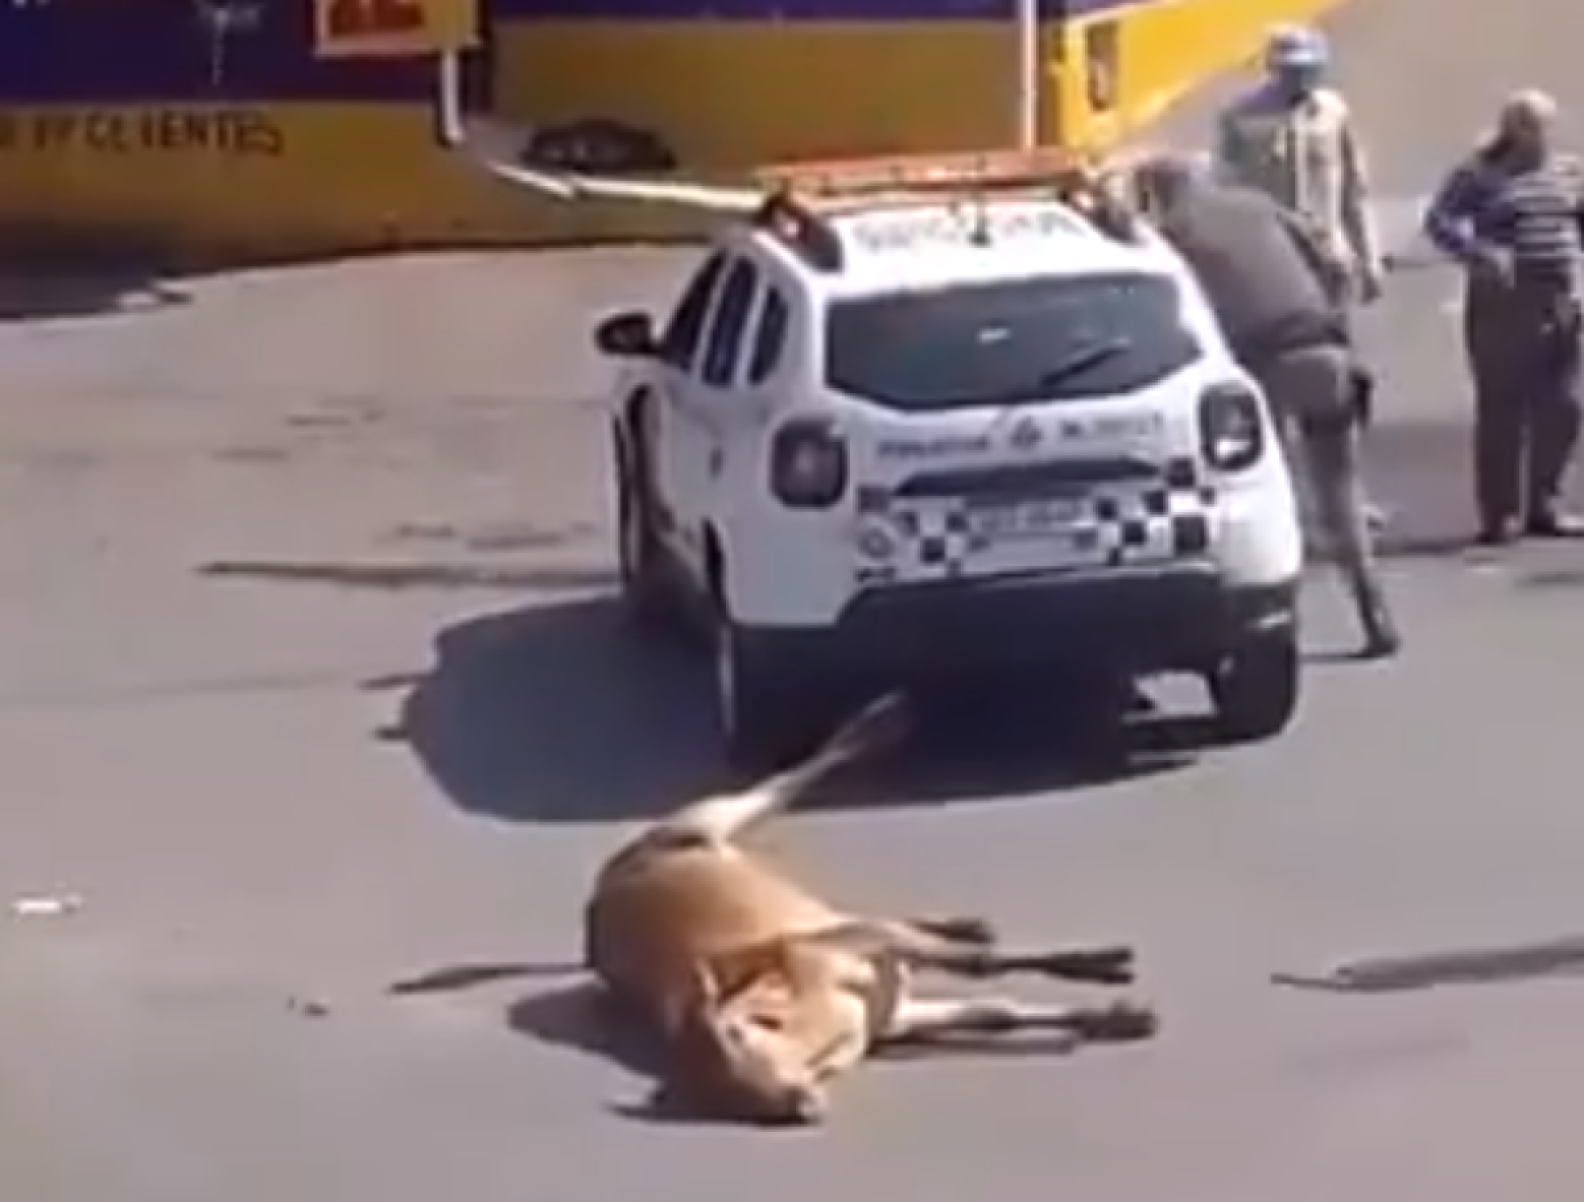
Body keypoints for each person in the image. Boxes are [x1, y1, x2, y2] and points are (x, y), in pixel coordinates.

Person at [1134, 153, 1401, 660]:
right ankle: (1374, 612)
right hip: (1324, 352)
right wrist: (1341, 330)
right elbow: (1333, 265)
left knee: (1265, 500)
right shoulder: (1258, 207)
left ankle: (1276, 626)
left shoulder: (1172, 235)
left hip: (1262, 363)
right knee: (1340, 492)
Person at [1215, 24, 1391, 533]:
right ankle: (1278, 493)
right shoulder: (1242, 120)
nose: (1301, 78)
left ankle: (1347, 495)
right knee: (1266, 381)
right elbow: (1226, 197)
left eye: (1308, 68)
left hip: (1328, 265)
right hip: (1269, 266)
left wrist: (1369, 257)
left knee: (1340, 384)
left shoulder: (1332, 114)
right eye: (1292, 69)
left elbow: (1354, 190)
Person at [1422, 89, 1584, 544]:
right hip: (1502, 310)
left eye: (1543, 127)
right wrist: (1478, 252)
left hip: (1561, 303)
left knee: (1564, 407)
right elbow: (1440, 220)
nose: (1538, 137)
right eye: (1528, 127)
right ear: (1511, 129)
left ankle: (1545, 503)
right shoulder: (1480, 174)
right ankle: (1500, 513)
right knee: (1502, 412)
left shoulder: (1568, 172)